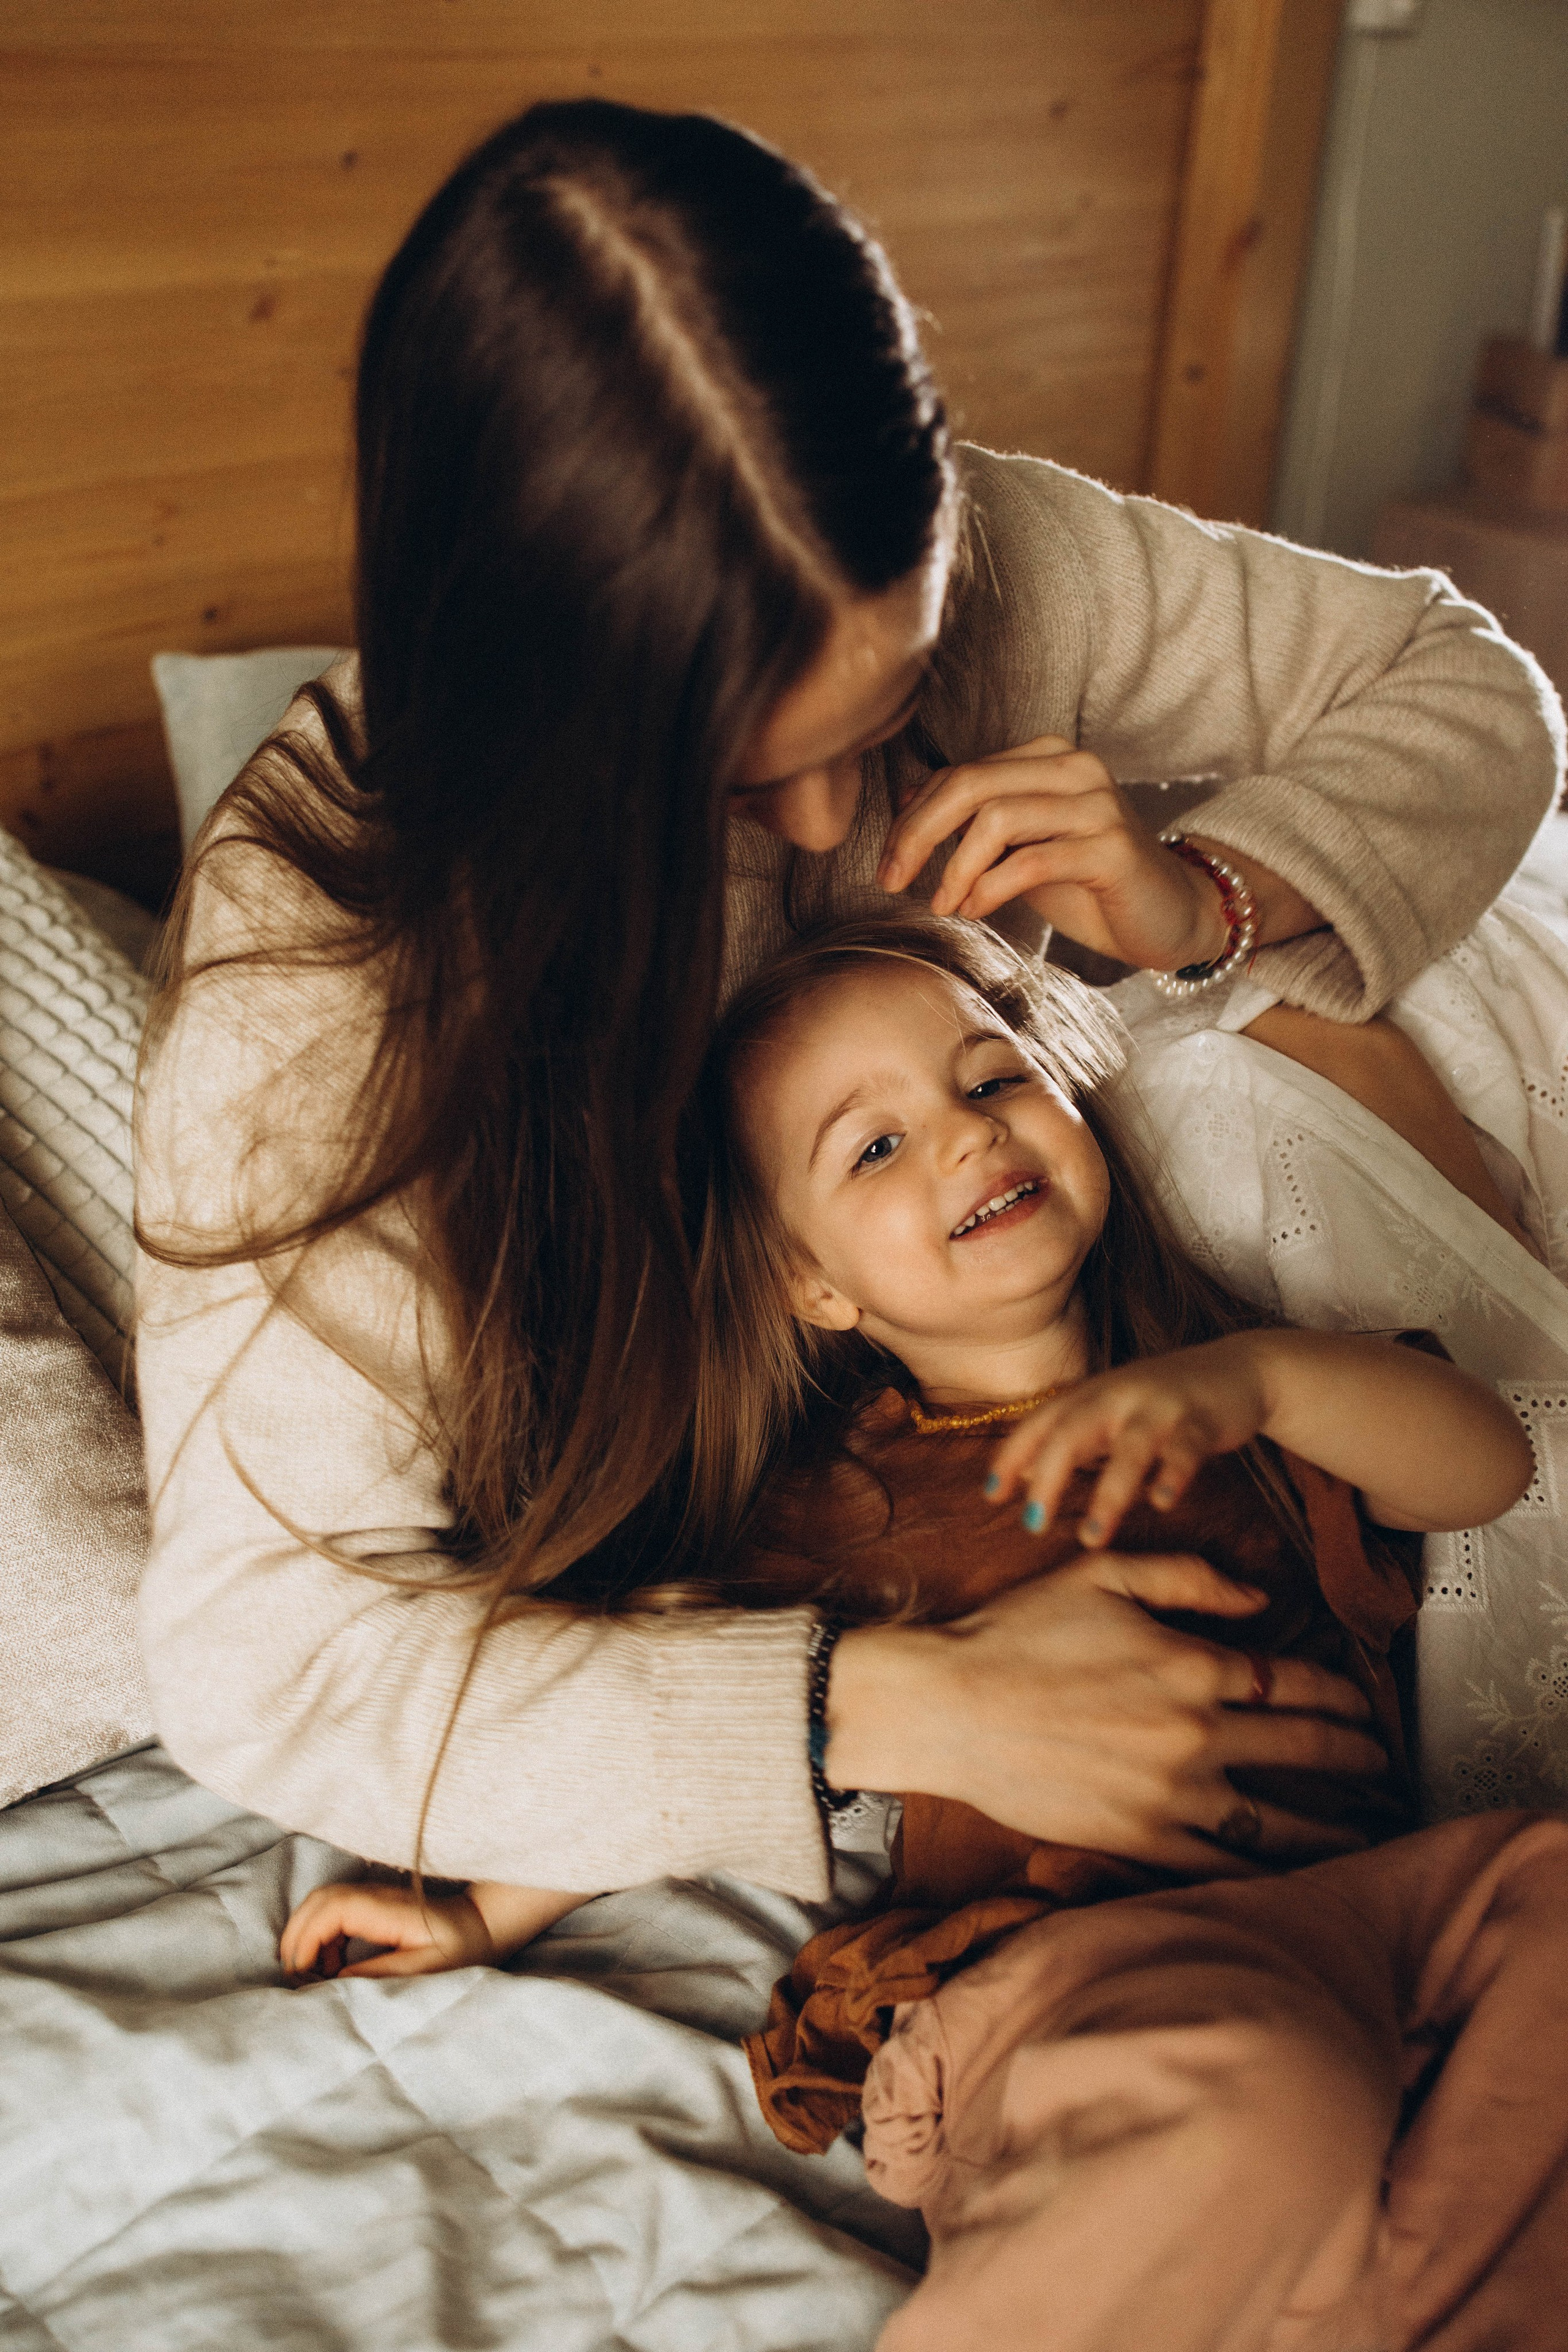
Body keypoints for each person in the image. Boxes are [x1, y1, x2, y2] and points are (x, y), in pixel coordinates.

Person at [135, 97, 1561, 1912]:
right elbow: (265, 1663)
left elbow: (1467, 683)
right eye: (741, 784)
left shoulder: (986, 564)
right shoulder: (319, 989)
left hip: (1258, 1270)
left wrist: (1201, 895)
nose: (839, 834)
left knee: (1275, 1093)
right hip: (867, 1574)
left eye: (886, 730)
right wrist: (893, 1706)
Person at [274, 917, 1562, 2352]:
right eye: (871, 1150)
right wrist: (470, 1911)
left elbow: (1481, 1470)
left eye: (990, 1081)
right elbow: (680, 1726)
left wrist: (1254, 1383)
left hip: (1363, 1908)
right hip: (1081, 1969)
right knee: (1256, 2103)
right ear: (815, 1289)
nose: (959, 1137)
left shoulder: (1240, 1378)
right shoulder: (847, 1504)